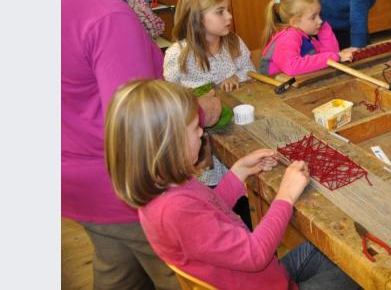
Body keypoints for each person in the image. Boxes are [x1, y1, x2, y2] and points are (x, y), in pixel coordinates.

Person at [62, 0, 220, 289]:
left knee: (116, 270)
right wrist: (202, 112)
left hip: (71, 178)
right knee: (183, 274)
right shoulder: (109, 12)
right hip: (122, 182)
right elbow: (141, 117)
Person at [106, 79, 360, 290]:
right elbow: (255, 253)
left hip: (269, 278)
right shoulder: (175, 210)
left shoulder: (169, 187)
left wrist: (239, 171)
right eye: (195, 128)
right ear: (167, 144)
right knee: (359, 274)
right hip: (264, 280)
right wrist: (286, 194)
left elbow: (212, 213)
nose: (202, 133)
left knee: (346, 250)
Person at [163, 0, 254, 225]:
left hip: (233, 132)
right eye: (220, 11)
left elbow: (250, 72)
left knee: (241, 203)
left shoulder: (234, 43)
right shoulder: (178, 54)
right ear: (196, 18)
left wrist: (239, 77)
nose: (229, 16)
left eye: (228, 10)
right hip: (200, 146)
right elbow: (171, 99)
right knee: (214, 202)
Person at [260, 0, 356, 76]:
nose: (320, 20)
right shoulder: (288, 37)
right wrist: (334, 57)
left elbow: (332, 53)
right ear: (294, 22)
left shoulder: (306, 37)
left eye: (319, 14)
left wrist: (324, 28)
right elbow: (292, 67)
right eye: (313, 17)